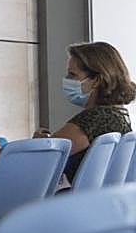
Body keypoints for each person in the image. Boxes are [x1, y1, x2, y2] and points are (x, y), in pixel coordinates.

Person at [35, 41, 135, 183]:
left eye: (72, 74)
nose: (67, 80)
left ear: (96, 80)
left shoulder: (92, 120)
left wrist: (38, 141)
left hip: (75, 203)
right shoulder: (118, 116)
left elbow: (39, 159)